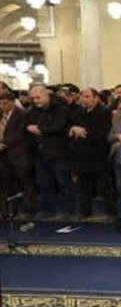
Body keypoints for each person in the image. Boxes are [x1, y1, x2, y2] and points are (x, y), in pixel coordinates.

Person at [27, 85, 75, 219]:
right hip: (40, 151)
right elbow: (28, 125)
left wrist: (39, 129)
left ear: (46, 95)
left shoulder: (61, 108)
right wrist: (37, 128)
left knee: (64, 183)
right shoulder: (35, 110)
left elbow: (57, 127)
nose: (35, 101)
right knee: (44, 183)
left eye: (38, 98)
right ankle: (48, 211)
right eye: (33, 99)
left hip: (59, 151)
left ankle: (68, 212)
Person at [71, 88, 114, 219]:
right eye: (83, 96)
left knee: (104, 186)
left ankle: (111, 212)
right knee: (84, 187)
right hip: (82, 155)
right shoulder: (79, 112)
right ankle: (85, 212)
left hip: (98, 154)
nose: (84, 99)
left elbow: (101, 133)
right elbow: (72, 127)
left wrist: (82, 132)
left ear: (96, 98)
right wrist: (74, 129)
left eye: (87, 96)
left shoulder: (104, 112)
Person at [0, 90, 36, 216]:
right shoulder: (1, 114)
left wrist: (3, 143)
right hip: (3, 157)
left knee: (26, 183)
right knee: (6, 184)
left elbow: (19, 133)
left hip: (19, 154)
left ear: (12, 102)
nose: (2, 106)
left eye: (5, 103)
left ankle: (29, 210)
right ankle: (8, 211)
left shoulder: (22, 114)